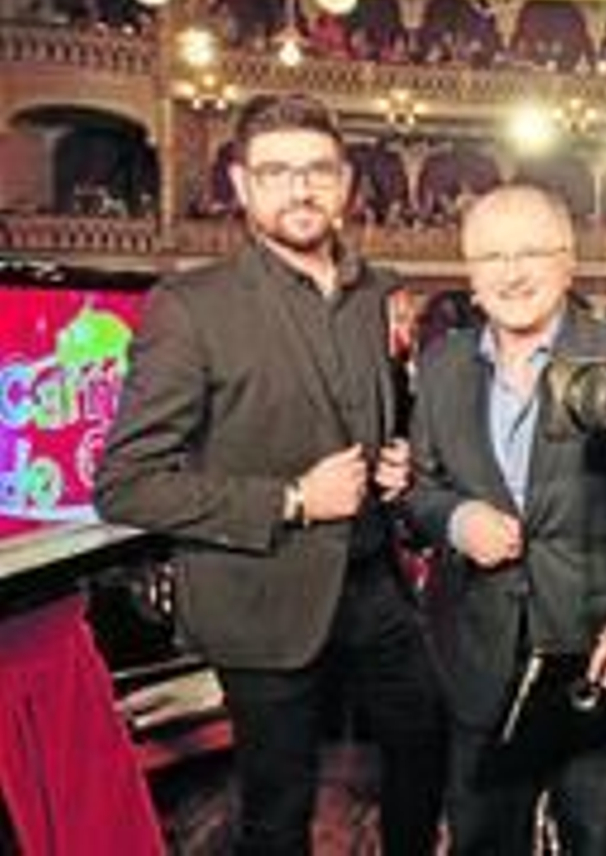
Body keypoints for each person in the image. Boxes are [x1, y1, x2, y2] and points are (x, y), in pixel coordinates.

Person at [95, 93, 447, 855]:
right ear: (241, 184)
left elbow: (385, 411)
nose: (300, 189)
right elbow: (124, 481)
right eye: (276, 171)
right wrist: (292, 499)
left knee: (426, 744)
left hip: (373, 582)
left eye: (317, 170)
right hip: (259, 596)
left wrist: (401, 458)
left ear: (345, 182)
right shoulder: (191, 306)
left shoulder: (379, 292)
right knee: (279, 810)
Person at [405, 185, 606, 854]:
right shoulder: (443, 365)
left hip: (599, 662)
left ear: (569, 261)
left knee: (600, 840)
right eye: (492, 257)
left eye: (531, 252)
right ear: (471, 274)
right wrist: (456, 520)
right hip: (478, 661)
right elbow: (421, 487)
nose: (512, 273)